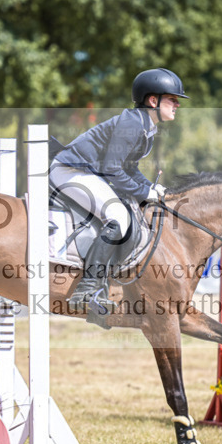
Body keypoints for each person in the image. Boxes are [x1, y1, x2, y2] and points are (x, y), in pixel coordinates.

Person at [49, 67, 189, 311]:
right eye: (172, 99)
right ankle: (87, 289)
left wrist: (151, 188)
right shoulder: (134, 125)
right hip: (70, 170)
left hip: (85, 171)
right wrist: (145, 193)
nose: (177, 104)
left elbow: (129, 168)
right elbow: (113, 169)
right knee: (118, 217)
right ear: (153, 100)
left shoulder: (145, 127)